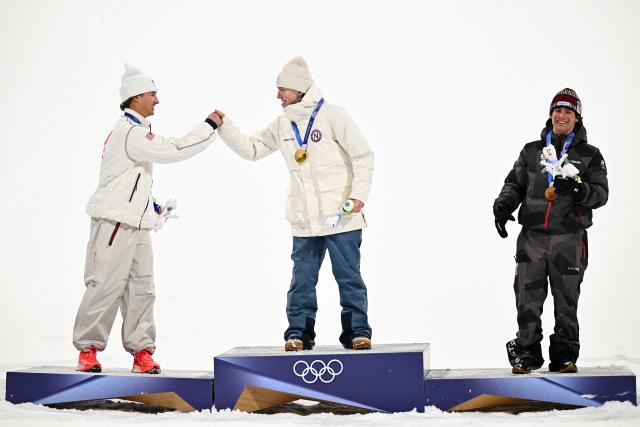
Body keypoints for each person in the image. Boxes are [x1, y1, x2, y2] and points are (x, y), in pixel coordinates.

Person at [214, 56, 374, 351]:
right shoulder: (282, 124)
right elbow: (253, 149)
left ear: (299, 89)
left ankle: (358, 333)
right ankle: (298, 335)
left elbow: (363, 156)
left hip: (342, 216)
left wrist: (358, 195)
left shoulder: (334, 116)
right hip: (304, 221)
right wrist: (225, 127)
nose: (278, 96)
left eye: (283, 90)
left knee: (349, 278)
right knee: (301, 282)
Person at [73, 63, 222, 373]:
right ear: (136, 97)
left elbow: (129, 179)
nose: (157, 100)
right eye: (152, 94)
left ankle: (142, 352)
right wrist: (209, 126)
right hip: (114, 222)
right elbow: (173, 151)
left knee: (143, 289)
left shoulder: (137, 131)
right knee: (104, 285)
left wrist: (150, 206)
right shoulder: (130, 131)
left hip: (137, 224)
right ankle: (87, 350)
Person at [493, 88, 608, 374]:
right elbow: (514, 184)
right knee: (527, 297)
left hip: (569, 237)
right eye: (558, 110)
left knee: (566, 300)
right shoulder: (532, 151)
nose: (562, 115)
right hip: (532, 236)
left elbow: (601, 194)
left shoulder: (590, 155)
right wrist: (503, 206)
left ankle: (564, 357)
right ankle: (527, 354)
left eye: (568, 111)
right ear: (550, 114)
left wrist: (579, 189)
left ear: (577, 118)